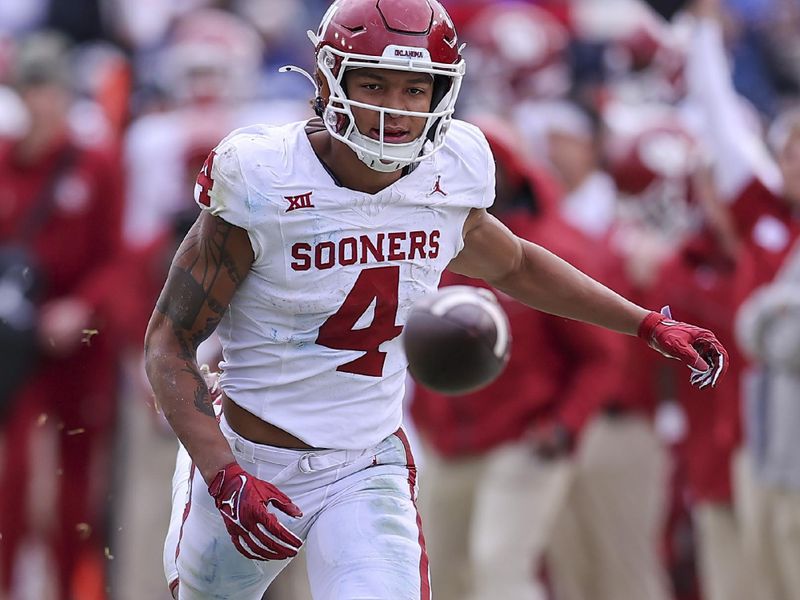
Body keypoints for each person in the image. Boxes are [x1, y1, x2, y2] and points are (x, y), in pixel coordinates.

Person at [144, 1, 728, 598]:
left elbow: (518, 264)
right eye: (373, 83)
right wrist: (223, 474)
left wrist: (646, 324)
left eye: (414, 89)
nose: (393, 110)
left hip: (363, 468)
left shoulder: (448, 173)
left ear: (441, 94)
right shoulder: (264, 178)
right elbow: (168, 342)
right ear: (329, 79)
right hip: (248, 457)